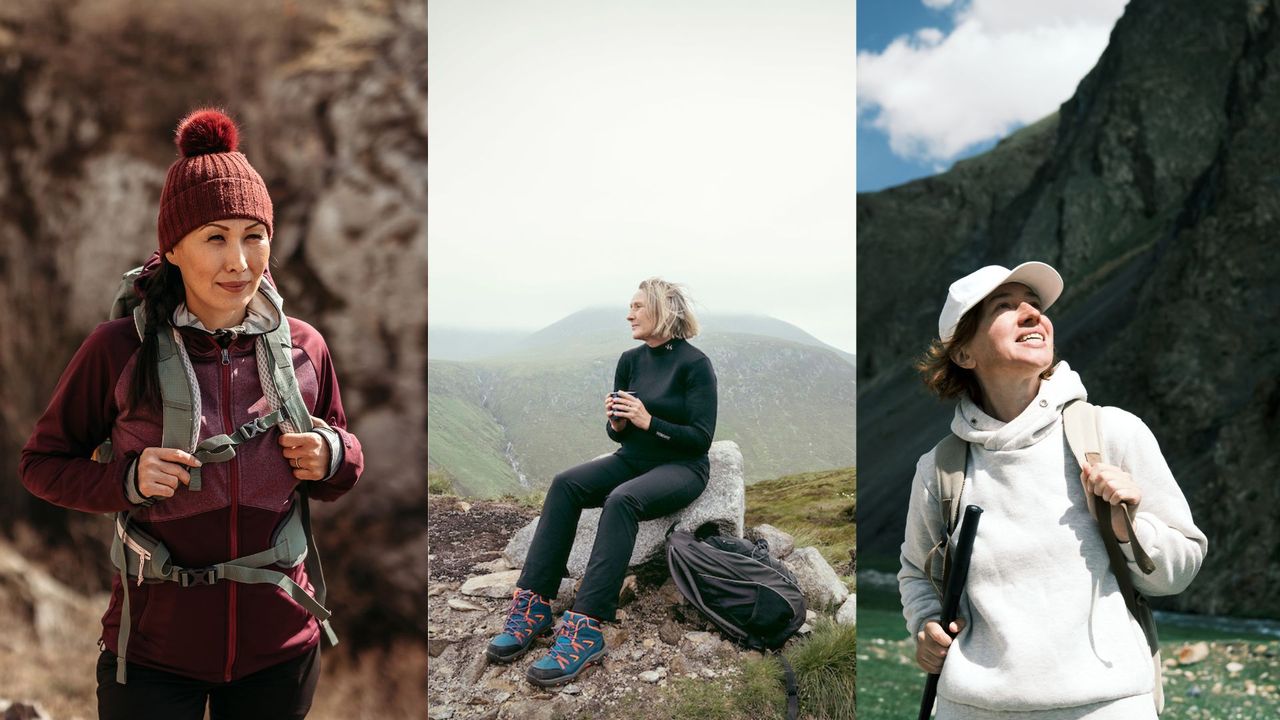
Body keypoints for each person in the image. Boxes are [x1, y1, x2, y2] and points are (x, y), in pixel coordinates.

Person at [19, 108, 363, 720]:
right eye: (214, 237)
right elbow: (41, 464)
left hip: (279, 650)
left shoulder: (303, 347)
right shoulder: (118, 349)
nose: (240, 262)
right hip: (153, 655)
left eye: (254, 235)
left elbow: (341, 459)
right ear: (173, 249)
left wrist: (331, 454)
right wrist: (126, 479)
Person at [898, 261, 1206, 719]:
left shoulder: (1112, 434)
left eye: (1035, 306)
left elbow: (1179, 572)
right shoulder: (941, 468)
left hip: (1109, 707)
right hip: (970, 708)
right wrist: (925, 627)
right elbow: (915, 572)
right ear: (964, 354)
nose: (1031, 314)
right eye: (1005, 307)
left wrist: (1129, 528)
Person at [486, 277, 718, 687]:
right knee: (565, 483)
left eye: (637, 306)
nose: (629, 314)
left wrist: (651, 421)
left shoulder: (695, 364)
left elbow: (701, 438)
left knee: (622, 500)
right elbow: (620, 436)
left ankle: (586, 627)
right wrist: (617, 422)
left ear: (664, 311)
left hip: (683, 467)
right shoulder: (630, 360)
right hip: (633, 457)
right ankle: (535, 603)